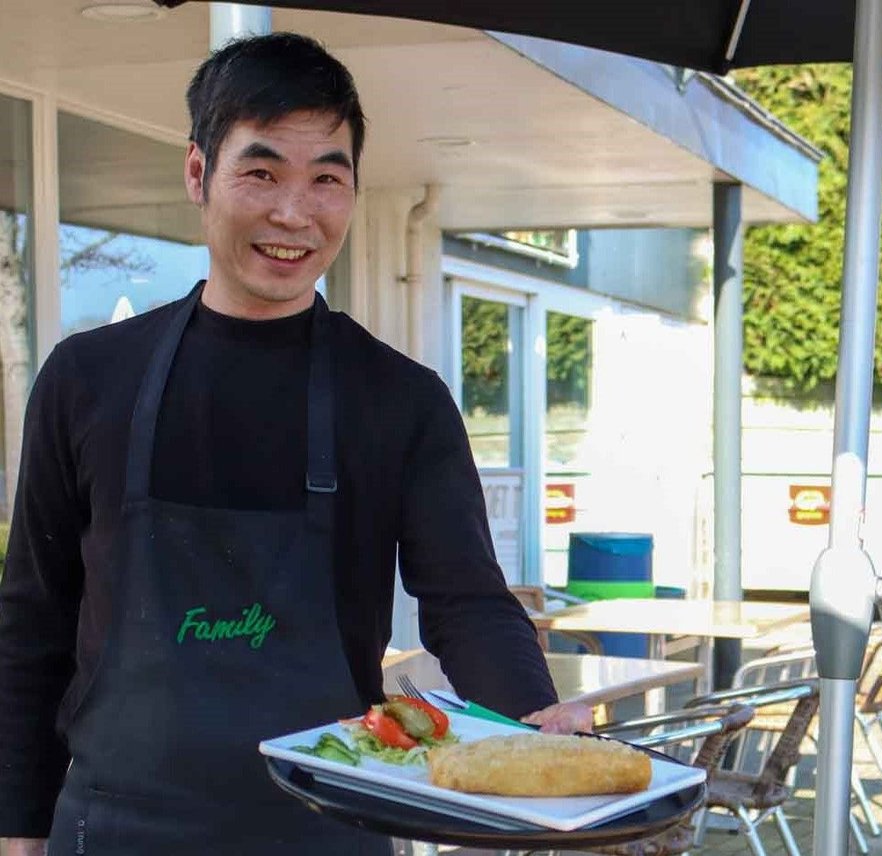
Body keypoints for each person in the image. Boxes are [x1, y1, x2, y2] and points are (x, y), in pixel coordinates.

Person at [0, 33, 590, 856]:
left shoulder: (399, 400)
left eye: (326, 180)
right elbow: (33, 619)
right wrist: (18, 825)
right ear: (199, 174)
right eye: (262, 172)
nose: (293, 214)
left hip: (327, 829)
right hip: (113, 829)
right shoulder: (87, 379)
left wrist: (537, 721)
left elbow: (466, 602)